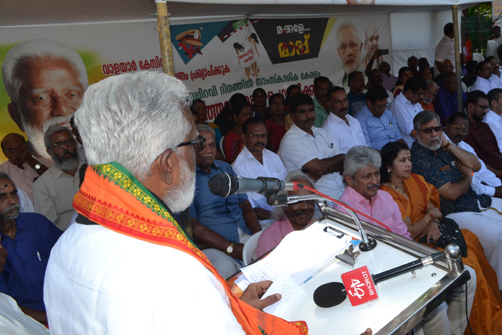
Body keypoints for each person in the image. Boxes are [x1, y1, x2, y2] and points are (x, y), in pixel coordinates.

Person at [44, 71, 311, 334]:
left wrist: (227, 307)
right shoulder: (177, 279)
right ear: (168, 165)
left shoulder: (64, 247)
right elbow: (176, 306)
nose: (199, 153)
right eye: (194, 142)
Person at [379, 142, 502, 335]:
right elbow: (411, 231)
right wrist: (430, 218)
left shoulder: (416, 180)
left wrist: (431, 221)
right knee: (465, 262)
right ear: (389, 166)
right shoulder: (386, 194)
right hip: (415, 247)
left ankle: (485, 314)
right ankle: (473, 324)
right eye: (402, 161)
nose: (408, 164)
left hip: (434, 233)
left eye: (410, 160)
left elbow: (434, 207)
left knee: (471, 244)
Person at [335, 146, 476, 335]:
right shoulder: (342, 210)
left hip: (403, 261)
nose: (374, 181)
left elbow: (403, 236)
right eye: (366, 176)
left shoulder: (384, 197)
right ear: (350, 180)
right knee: (436, 307)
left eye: (376, 174)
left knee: (467, 275)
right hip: (375, 276)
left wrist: (422, 260)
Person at [409, 110, 502, 293]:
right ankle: (500, 284)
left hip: (472, 200)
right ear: (416, 134)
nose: (434, 134)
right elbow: (451, 193)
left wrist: (449, 145)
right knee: (498, 232)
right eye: (428, 131)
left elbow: (476, 164)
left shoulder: (442, 147)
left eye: (437, 129)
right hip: (452, 211)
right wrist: (467, 176)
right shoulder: (419, 157)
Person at [192, 125, 262, 278]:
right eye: (202, 146)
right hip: (215, 245)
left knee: (272, 250)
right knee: (227, 269)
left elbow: (245, 205)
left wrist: (259, 235)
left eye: (212, 145)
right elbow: (195, 227)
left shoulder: (225, 168)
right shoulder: (187, 178)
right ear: (192, 148)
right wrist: (230, 248)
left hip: (244, 232)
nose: (209, 151)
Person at [1, 40, 89, 159]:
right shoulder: (10, 172)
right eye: (41, 98)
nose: (61, 110)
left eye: (72, 95)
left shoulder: (108, 155)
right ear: (16, 114)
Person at [0, 172, 62, 325]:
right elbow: (5, 307)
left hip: (63, 308)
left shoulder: (37, 223)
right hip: (23, 324)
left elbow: (69, 259)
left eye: (14, 193)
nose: (13, 201)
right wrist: (48, 319)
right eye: (2, 197)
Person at [279, 94, 345, 198]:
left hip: (342, 191)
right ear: (292, 116)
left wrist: (322, 170)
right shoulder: (291, 140)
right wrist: (341, 156)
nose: (309, 116)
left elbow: (342, 166)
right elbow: (319, 168)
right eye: (303, 112)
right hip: (318, 200)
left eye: (311, 110)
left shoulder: (322, 133)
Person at [445, 113, 502, 205]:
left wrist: (498, 186)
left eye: (465, 131)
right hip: (468, 194)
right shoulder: (444, 147)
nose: (460, 133)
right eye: (457, 128)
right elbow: (469, 177)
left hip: (484, 187)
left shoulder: (465, 146)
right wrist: (493, 191)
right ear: (447, 126)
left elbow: (482, 170)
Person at [232, 118, 288, 222]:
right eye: (255, 136)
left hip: (285, 213)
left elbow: (287, 188)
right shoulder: (238, 168)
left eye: (263, 136)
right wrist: (278, 217)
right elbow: (249, 209)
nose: (260, 140)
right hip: (264, 221)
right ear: (244, 138)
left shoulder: (273, 157)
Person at [255, 171, 315, 258]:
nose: (305, 207)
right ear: (284, 205)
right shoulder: (270, 240)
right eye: (297, 201)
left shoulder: (317, 228)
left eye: (310, 200)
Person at [33, 126, 81, 231]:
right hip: (68, 238)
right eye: (58, 145)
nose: (65, 148)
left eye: (69, 142)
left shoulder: (91, 170)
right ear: (49, 151)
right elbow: (49, 226)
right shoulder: (42, 185)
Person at [0, 134, 49, 201]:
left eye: (20, 148)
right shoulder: (2, 172)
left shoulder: (44, 162)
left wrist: (31, 160)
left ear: (26, 146)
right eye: (11, 150)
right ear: (5, 153)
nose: (17, 153)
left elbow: (54, 181)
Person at [355, 85, 404, 151]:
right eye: (380, 106)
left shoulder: (388, 114)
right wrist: (386, 157)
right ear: (369, 103)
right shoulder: (360, 119)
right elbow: (366, 147)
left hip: (395, 154)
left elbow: (398, 137)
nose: (384, 109)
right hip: (377, 158)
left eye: (385, 105)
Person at [322, 87, 367, 154]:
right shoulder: (329, 128)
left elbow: (364, 146)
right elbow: (334, 159)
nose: (343, 105)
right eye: (338, 102)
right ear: (328, 104)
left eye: (345, 100)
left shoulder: (353, 120)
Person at [391, 76, 427, 146]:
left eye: (423, 94)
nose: (422, 97)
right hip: (410, 146)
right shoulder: (397, 106)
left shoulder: (415, 102)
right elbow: (413, 131)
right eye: (420, 94)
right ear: (410, 92)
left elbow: (426, 119)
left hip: (422, 140)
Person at [223, 98, 253, 163]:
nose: (249, 117)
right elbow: (231, 161)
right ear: (235, 117)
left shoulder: (255, 131)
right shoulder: (230, 136)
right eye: (245, 115)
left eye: (250, 114)